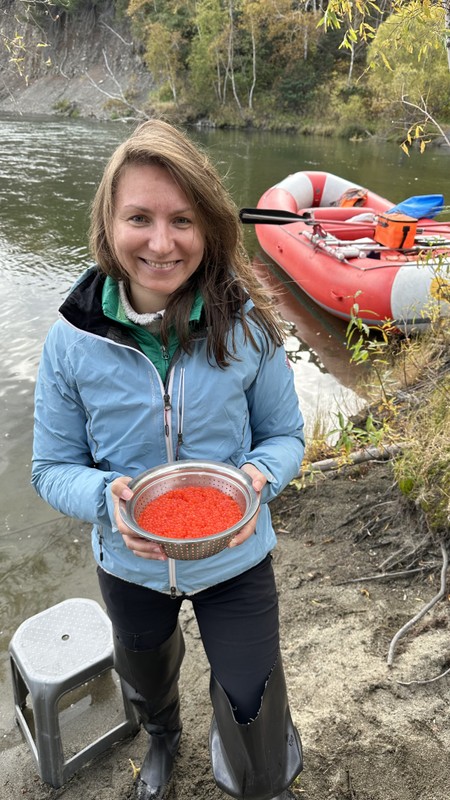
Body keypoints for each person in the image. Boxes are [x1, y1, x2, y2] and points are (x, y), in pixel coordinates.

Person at [32, 119, 305, 800]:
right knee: (146, 673)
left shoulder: (247, 322)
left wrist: (259, 478)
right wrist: (106, 500)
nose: (161, 242)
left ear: (209, 225)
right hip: (129, 560)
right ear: (108, 222)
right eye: (140, 218)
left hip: (236, 556)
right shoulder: (71, 341)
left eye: (183, 219)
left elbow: (284, 437)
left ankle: (250, 762)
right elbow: (51, 467)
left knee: (252, 700)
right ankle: (163, 738)